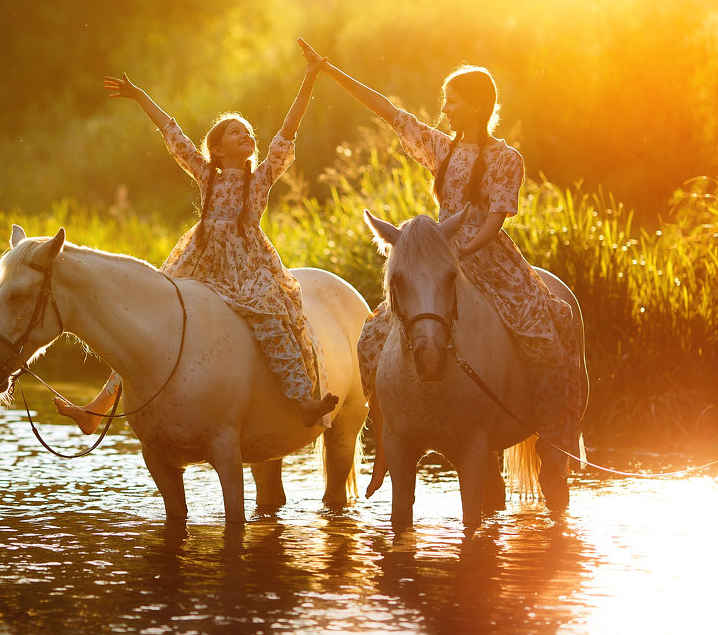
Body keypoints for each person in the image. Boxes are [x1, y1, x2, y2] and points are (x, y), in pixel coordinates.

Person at [314, 57, 583, 507]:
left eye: (452, 102)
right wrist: (332, 71)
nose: (445, 111)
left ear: (477, 106)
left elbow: (496, 217)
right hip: (438, 262)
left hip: (488, 260)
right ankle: (385, 441)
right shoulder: (444, 149)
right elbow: (390, 112)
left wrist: (463, 252)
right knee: (373, 336)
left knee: (546, 335)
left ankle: (553, 453)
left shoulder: (505, 158)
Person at [54, 38, 340, 434]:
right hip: (200, 261)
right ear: (217, 150)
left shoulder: (259, 180)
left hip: (248, 266)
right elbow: (172, 132)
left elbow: (288, 131)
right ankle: (97, 408)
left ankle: (303, 402)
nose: (246, 135)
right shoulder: (207, 176)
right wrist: (139, 97)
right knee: (153, 321)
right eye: (234, 132)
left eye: (247, 132)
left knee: (275, 320)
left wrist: (309, 79)